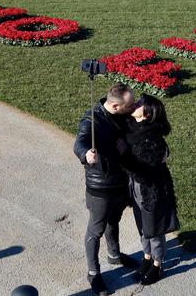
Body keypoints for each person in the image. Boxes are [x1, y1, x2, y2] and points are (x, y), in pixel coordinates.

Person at [73, 83, 139, 296]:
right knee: (96, 229)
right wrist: (86, 154)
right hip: (100, 187)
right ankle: (93, 273)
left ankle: (114, 254)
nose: (134, 106)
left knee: (114, 221)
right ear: (115, 105)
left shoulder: (121, 115)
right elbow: (80, 142)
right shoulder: (92, 120)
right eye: (130, 104)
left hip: (120, 182)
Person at [120, 94, 179, 286]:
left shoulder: (153, 139)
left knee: (153, 229)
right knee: (142, 226)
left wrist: (123, 156)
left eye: (139, 104)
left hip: (151, 190)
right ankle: (146, 257)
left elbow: (144, 172)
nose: (134, 104)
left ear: (147, 114)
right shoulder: (131, 127)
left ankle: (157, 263)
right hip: (135, 188)